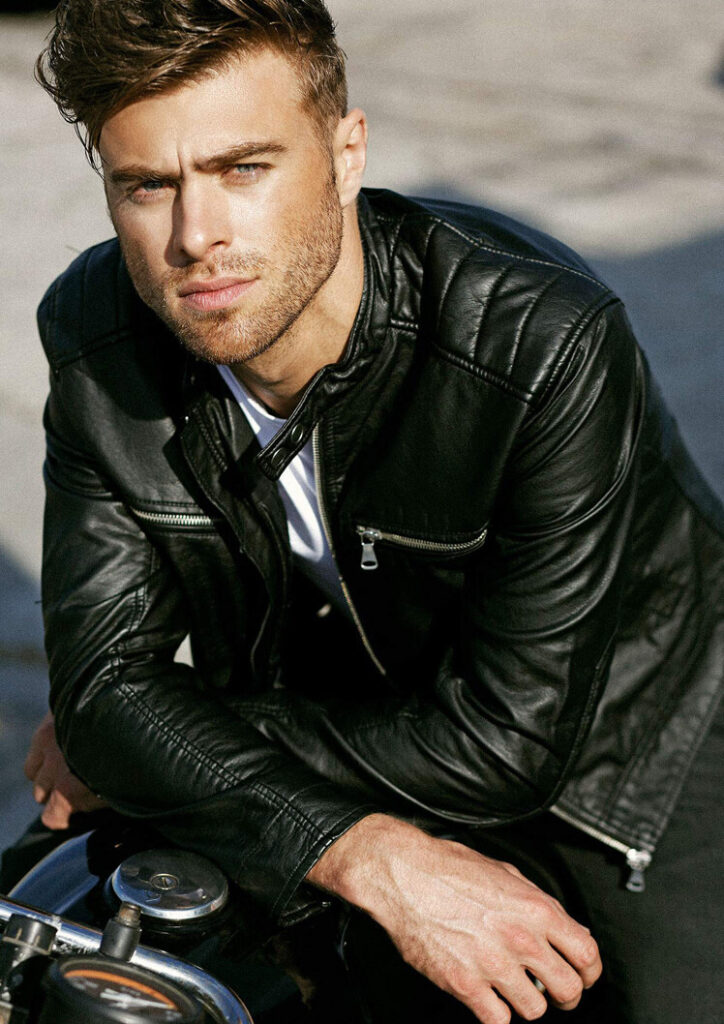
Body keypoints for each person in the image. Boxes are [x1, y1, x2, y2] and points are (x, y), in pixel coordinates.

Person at [15, 1, 723, 1021]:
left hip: (620, 752)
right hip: (338, 721)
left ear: (346, 155)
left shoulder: (536, 345)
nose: (195, 237)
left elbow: (503, 745)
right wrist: (360, 849)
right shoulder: (99, 334)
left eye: (243, 169)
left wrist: (164, 732)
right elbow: (101, 697)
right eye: (147, 186)